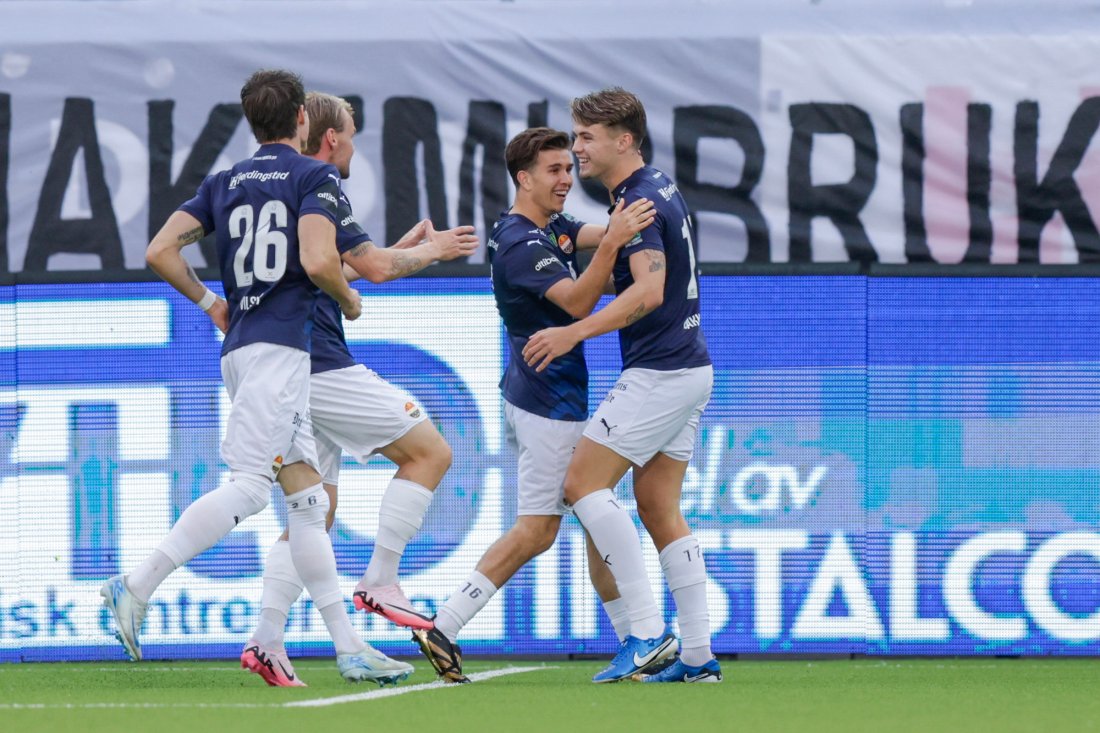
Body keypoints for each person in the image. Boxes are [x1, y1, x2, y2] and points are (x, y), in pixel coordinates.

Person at [101, 69, 411, 686]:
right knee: (248, 488)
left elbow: (161, 250)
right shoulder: (312, 175)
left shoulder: (226, 180)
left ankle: (348, 648)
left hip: (247, 348)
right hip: (278, 351)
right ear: (302, 118)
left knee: (308, 502)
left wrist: (210, 303)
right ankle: (135, 584)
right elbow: (321, 258)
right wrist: (348, 300)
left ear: (252, 121)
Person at [241, 91, 478, 687]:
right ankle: (380, 580)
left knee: (311, 513)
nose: (352, 145)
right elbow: (363, 271)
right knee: (431, 451)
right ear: (330, 139)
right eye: (350, 134)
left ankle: (267, 638)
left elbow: (335, 266)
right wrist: (432, 250)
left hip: (285, 368)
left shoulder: (272, 184)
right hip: (317, 366)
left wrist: (405, 250)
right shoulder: (318, 179)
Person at [413, 127, 655, 683]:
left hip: (543, 392)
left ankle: (635, 647)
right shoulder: (522, 243)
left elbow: (591, 233)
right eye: (553, 171)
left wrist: (625, 228)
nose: (566, 179)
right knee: (541, 528)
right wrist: (618, 241)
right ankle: (443, 626)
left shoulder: (548, 228)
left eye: (569, 168)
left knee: (595, 523)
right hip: (545, 399)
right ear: (524, 179)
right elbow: (576, 302)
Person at [522, 88, 722, 684]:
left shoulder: (636, 199)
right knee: (659, 508)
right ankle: (698, 657)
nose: (577, 147)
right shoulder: (656, 186)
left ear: (624, 139)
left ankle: (644, 634)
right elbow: (643, 280)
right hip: (689, 367)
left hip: (661, 371)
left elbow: (648, 292)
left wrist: (572, 331)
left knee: (583, 485)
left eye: (586, 136)